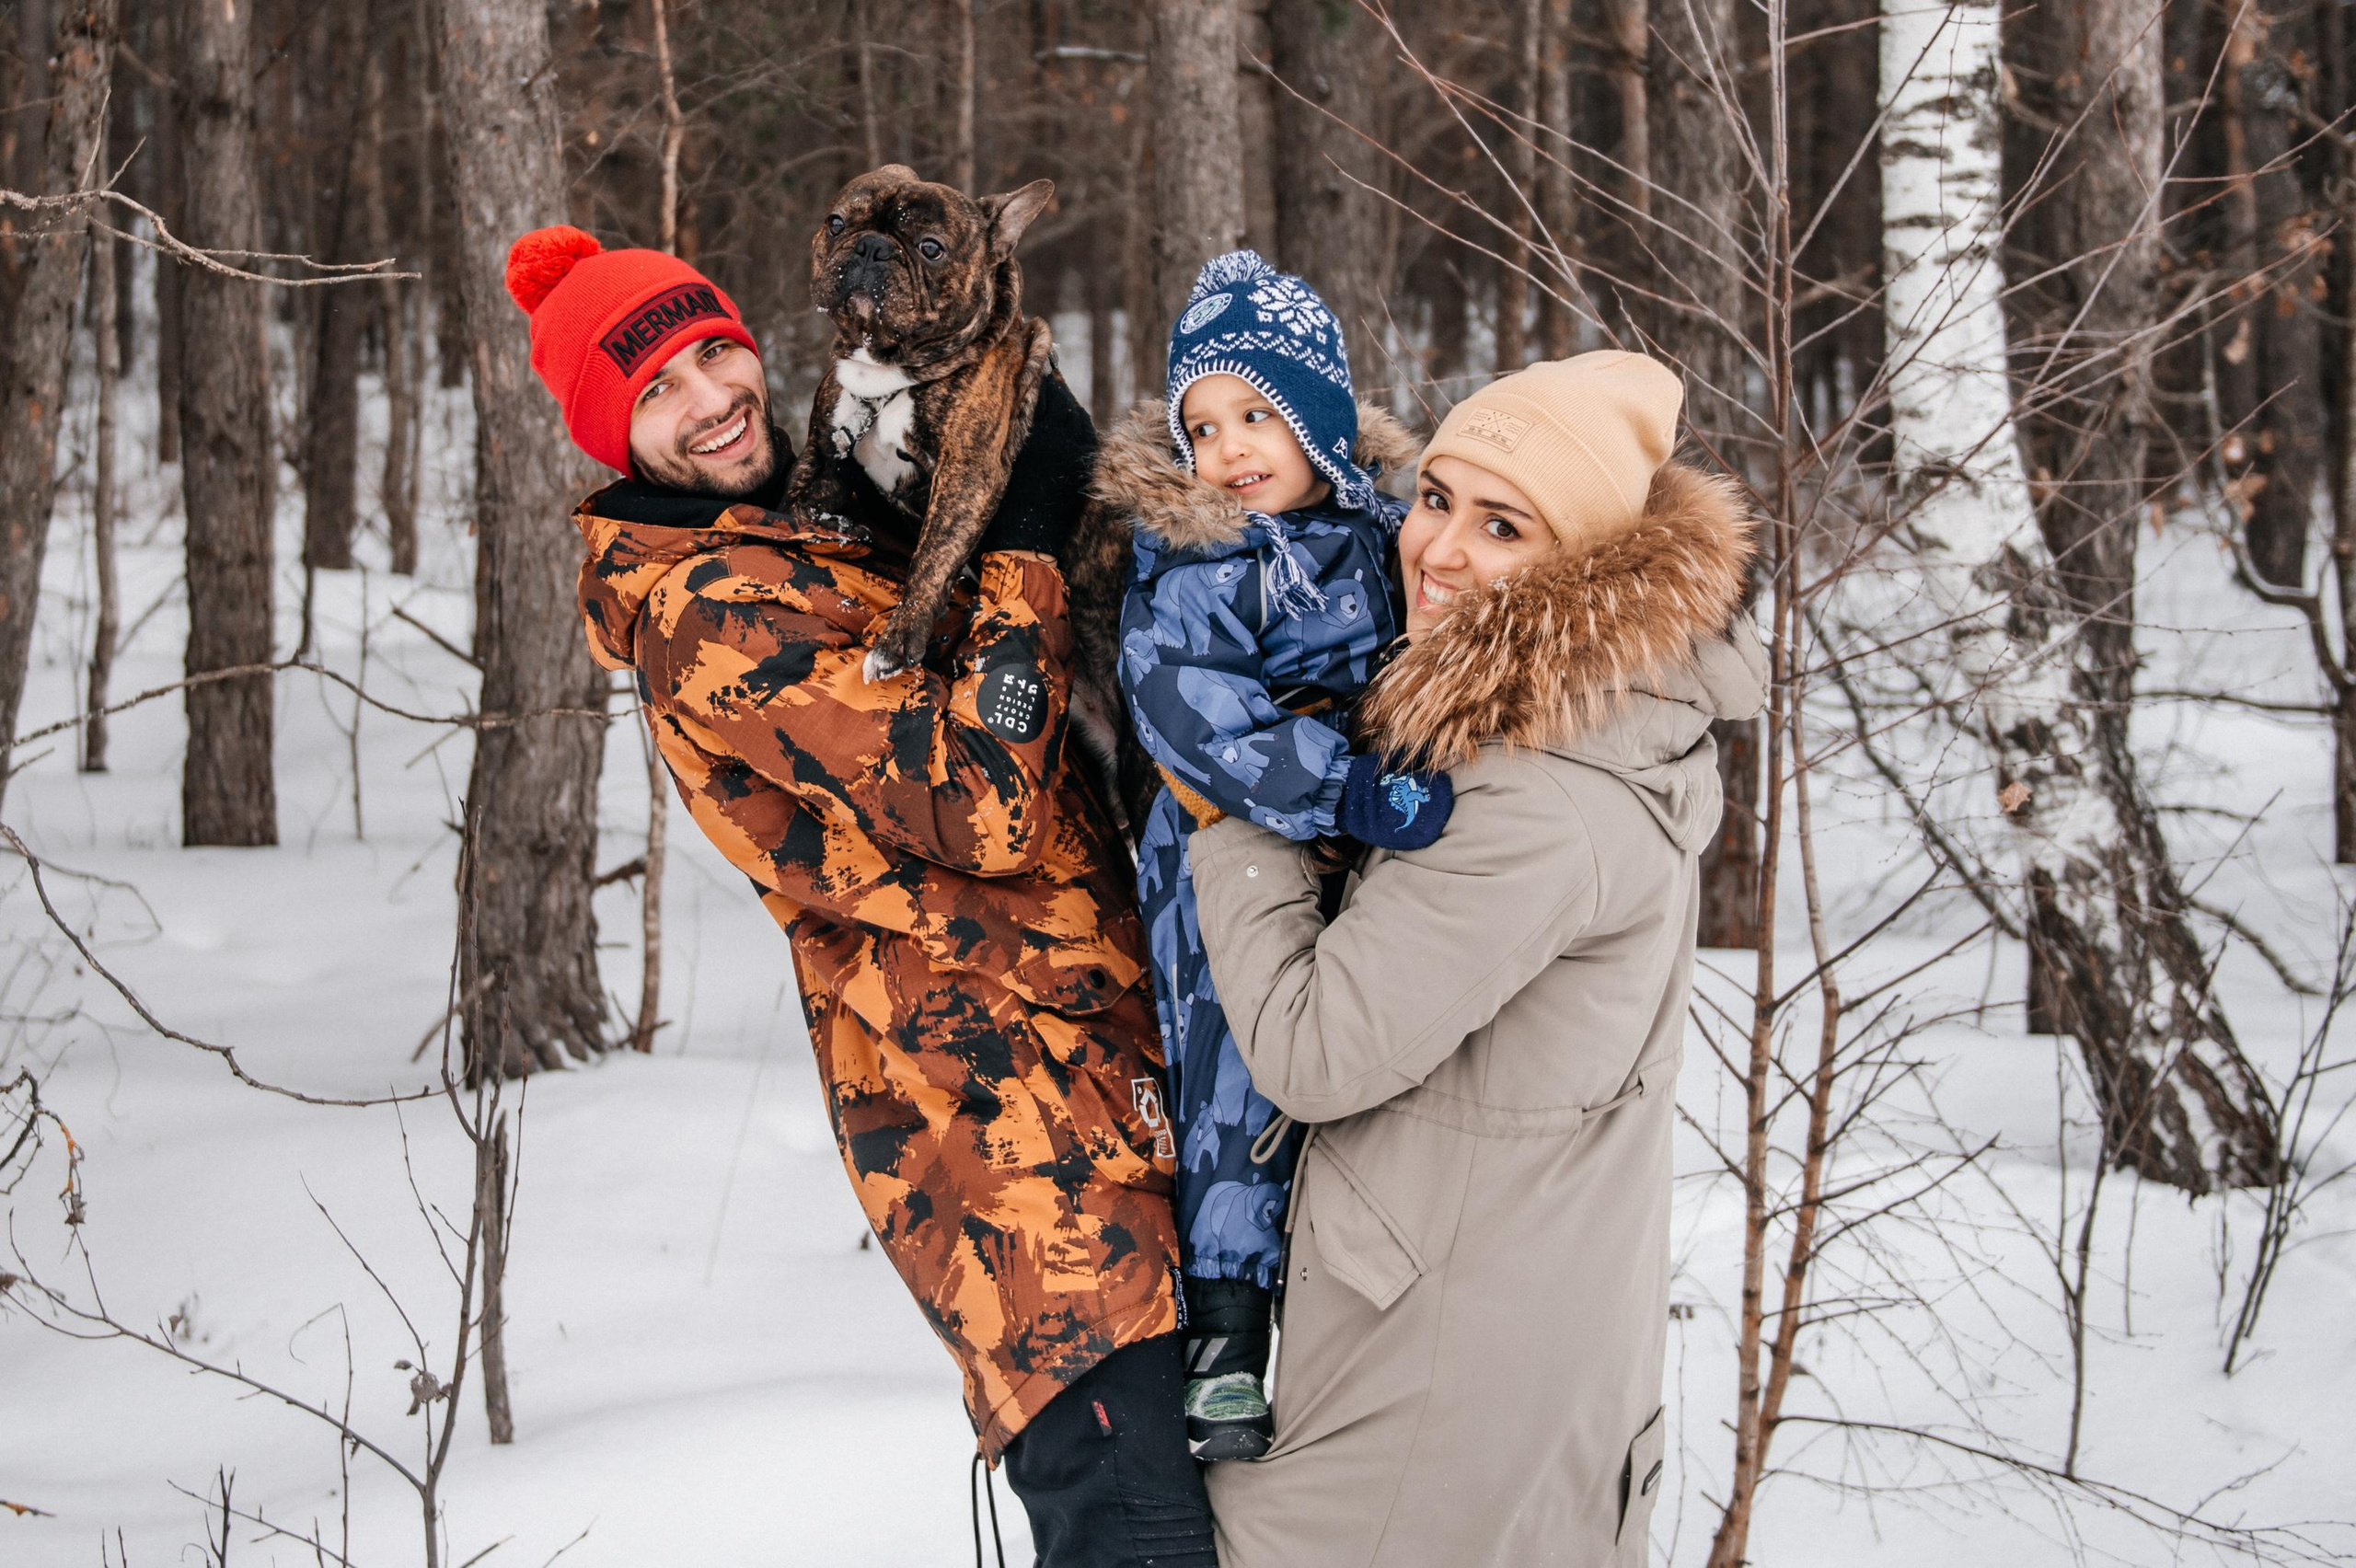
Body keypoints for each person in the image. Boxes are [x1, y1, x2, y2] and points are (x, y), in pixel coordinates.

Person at [503, 224, 1215, 1568]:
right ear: (613, 431)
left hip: (1114, 1101)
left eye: (713, 351)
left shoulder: (811, 532)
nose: (710, 399)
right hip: (1030, 1185)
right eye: (657, 389)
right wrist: (1020, 546)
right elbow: (980, 803)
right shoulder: (710, 611)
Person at [1184, 351, 1768, 1567]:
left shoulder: (1536, 799)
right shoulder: (1598, 719)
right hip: (1505, 1348)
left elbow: (1314, 1048)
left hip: (1432, 1415)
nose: (1438, 549)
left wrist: (1232, 805)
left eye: (1503, 524)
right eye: (1437, 497)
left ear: (1588, 567)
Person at [1098, 250, 1441, 1460]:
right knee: (1239, 1073)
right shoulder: (1192, 561)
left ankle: (1366, 1316)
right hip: (1228, 846)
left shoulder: (1390, 534)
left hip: (1369, 829)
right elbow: (1192, 710)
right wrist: (1340, 784)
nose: (1230, 446)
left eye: (1257, 413)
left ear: (1319, 419)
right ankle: (1229, 1336)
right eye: (1203, 423)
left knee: (1374, 1059)